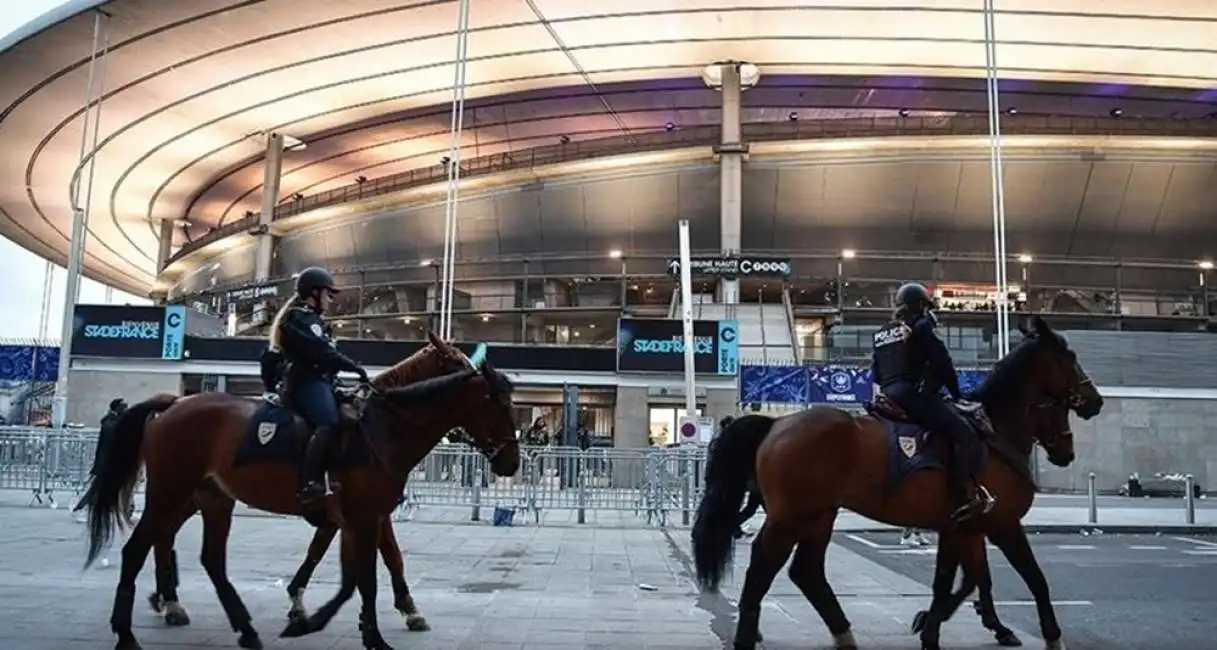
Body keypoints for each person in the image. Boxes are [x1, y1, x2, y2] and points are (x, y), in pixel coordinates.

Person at [870, 282, 993, 522]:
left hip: (888, 396)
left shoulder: (883, 332)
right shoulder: (922, 325)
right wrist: (957, 395)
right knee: (964, 433)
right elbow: (942, 362)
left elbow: (875, 373)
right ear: (920, 306)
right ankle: (962, 497)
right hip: (913, 395)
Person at [269, 266, 369, 514]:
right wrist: (353, 367)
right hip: (305, 383)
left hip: (321, 381)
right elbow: (320, 352)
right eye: (328, 293)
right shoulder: (300, 318)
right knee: (328, 422)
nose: (331, 299)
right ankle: (310, 481)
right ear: (313, 293)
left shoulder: (314, 321)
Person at [91, 398, 126, 476]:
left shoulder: (117, 421)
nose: (125, 409)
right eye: (123, 406)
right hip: (108, 461)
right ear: (117, 408)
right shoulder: (109, 422)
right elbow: (111, 440)